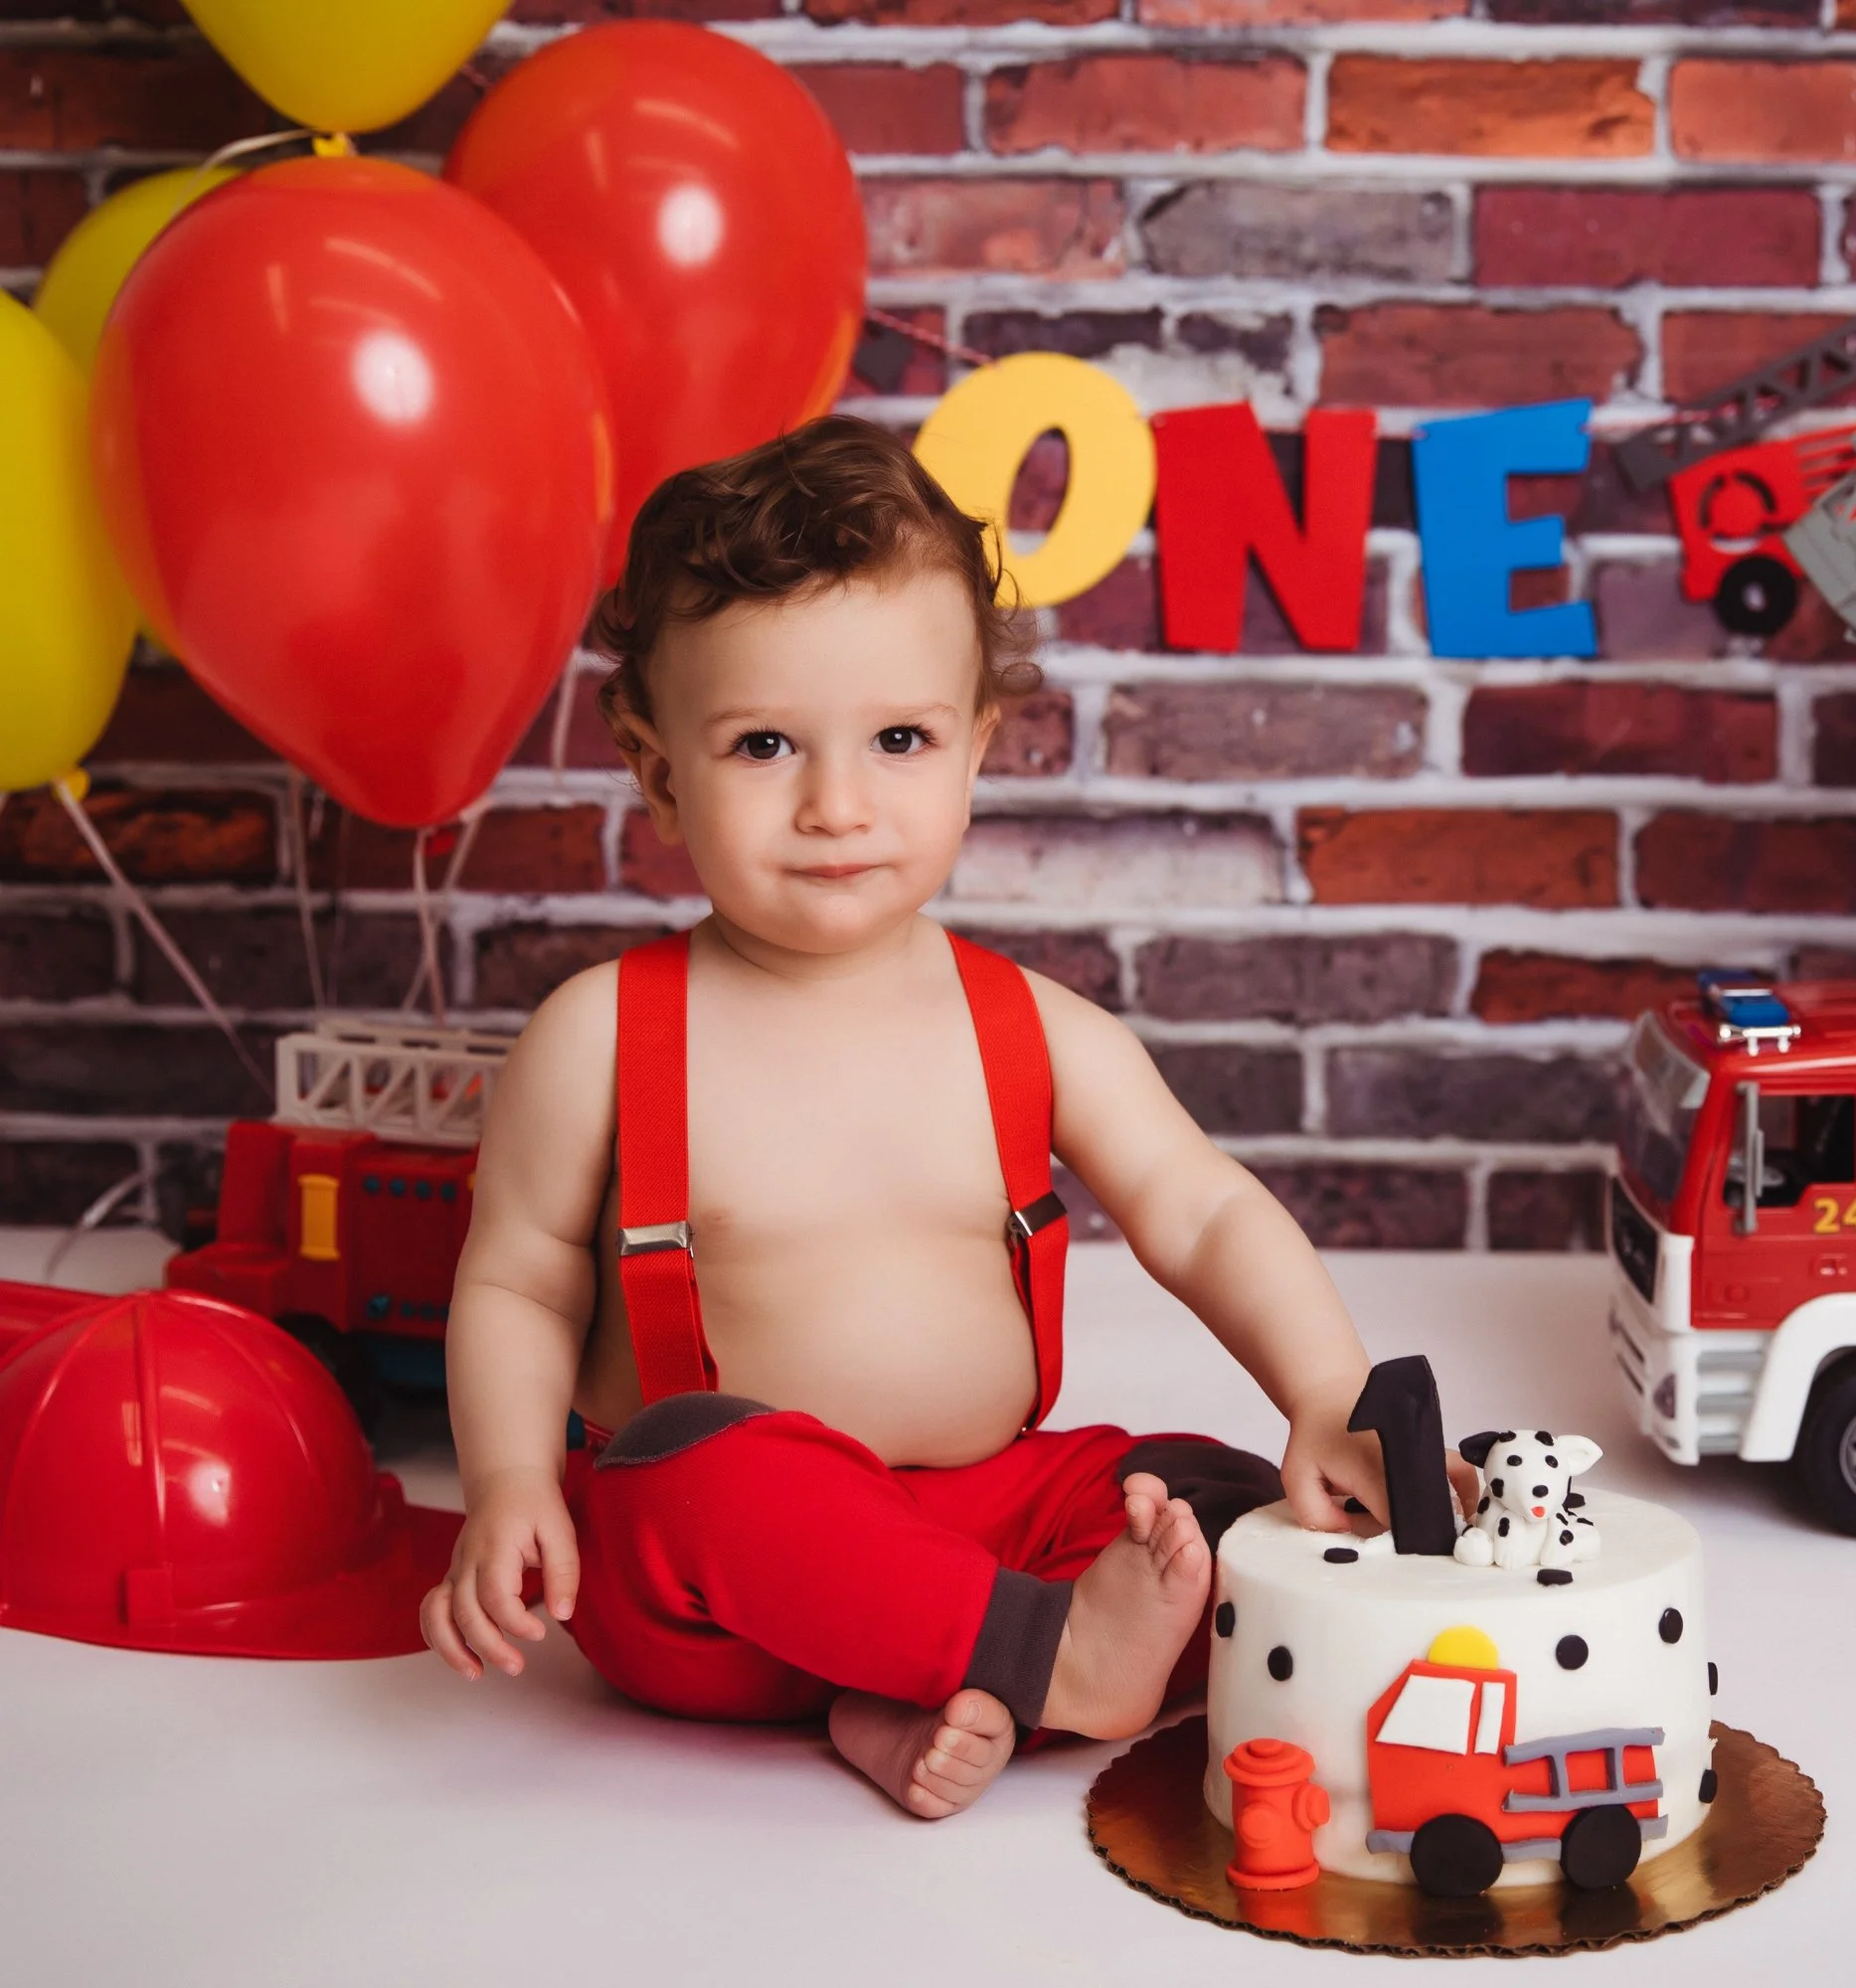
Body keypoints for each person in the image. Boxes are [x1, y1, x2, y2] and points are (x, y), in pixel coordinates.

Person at [419, 415, 1395, 1822]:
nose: (838, 804)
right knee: (690, 1481)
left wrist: (1329, 1395)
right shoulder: (601, 1039)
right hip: (727, 1590)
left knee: (1214, 1501)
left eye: (898, 739)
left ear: (975, 748)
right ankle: (1048, 1656)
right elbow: (516, 1278)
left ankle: (933, 1673)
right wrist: (509, 1479)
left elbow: (1201, 1209)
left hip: (986, 1510)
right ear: (657, 768)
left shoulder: (1033, 1027)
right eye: (764, 744)